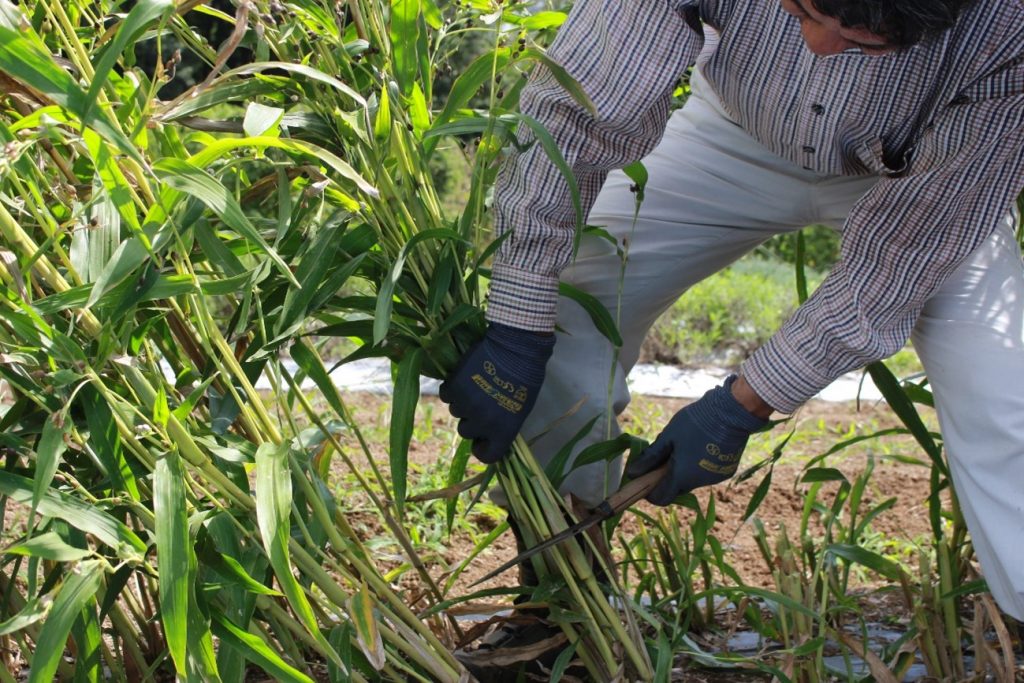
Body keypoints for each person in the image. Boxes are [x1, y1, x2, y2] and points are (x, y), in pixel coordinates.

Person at [440, 0, 1024, 660]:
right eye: (800, 10)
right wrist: (519, 323)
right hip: (732, 136)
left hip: (918, 170)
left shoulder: (1009, 26)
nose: (817, 47)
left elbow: (903, 256)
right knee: (577, 294)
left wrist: (743, 404)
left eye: (863, 43)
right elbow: (578, 113)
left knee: (1005, 384)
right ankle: (562, 602)